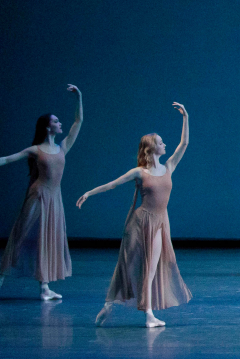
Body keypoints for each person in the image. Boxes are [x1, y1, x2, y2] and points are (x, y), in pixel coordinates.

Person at [77, 103, 193, 327]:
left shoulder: (169, 166)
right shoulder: (139, 172)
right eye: (160, 142)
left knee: (151, 269)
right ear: (150, 149)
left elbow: (184, 143)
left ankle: (148, 314)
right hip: (139, 223)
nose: (164, 144)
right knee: (128, 265)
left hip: (160, 223)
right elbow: (112, 184)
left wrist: (185, 117)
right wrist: (89, 193)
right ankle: (110, 305)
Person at [0, 84, 83, 300]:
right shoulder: (36, 150)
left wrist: (79, 96)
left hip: (55, 199)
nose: (60, 123)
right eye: (55, 121)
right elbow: (7, 159)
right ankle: (0, 278)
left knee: (48, 239)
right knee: (21, 236)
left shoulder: (63, 147)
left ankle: (44, 288)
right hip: (38, 196)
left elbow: (78, 122)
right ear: (47, 127)